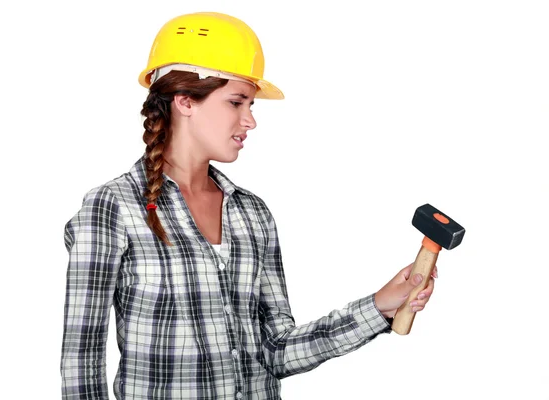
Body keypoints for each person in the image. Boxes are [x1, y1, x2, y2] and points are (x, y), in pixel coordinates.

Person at [60, 11, 437, 400]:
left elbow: (277, 350)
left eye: (251, 105)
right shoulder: (112, 208)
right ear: (185, 100)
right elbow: (81, 362)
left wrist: (379, 307)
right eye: (237, 102)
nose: (250, 121)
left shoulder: (251, 214)